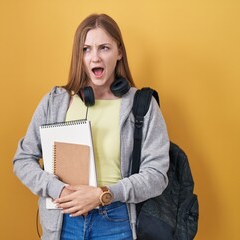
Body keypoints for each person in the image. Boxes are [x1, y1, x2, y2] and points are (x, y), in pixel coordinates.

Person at [13, 13, 170, 240]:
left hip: (117, 222)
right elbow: (22, 159)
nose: (94, 57)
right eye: (86, 49)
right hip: (63, 222)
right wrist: (60, 190)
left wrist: (103, 194)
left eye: (104, 48)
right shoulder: (55, 101)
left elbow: (156, 175)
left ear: (119, 52)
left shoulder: (143, 105)